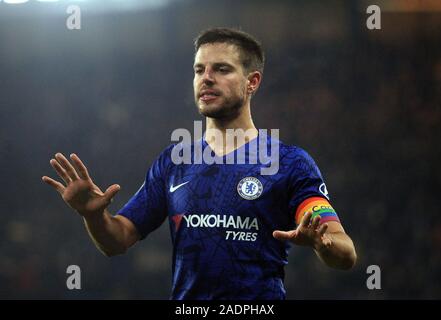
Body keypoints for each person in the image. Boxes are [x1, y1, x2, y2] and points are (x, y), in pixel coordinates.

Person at [42, 28, 357, 300]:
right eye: (198, 70)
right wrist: (94, 215)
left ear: (252, 82)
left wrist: (323, 244)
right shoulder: (174, 162)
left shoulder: (289, 162)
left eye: (221, 69)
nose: (206, 78)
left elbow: (345, 253)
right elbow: (117, 240)